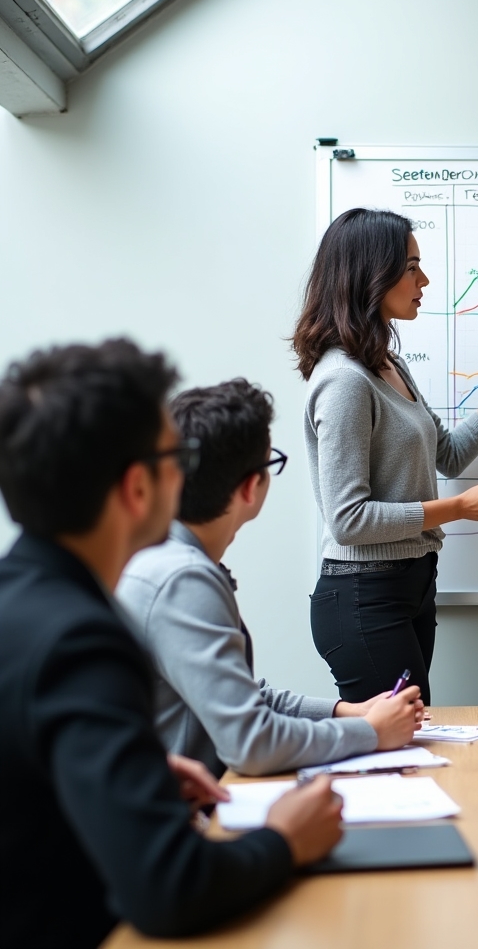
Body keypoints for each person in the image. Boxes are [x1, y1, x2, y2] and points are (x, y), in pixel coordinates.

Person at [0, 340, 343, 949]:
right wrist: (284, 839)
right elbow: (168, 889)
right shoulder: (83, 643)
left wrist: (134, 771)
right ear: (137, 488)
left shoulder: (20, 601)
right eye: (176, 455)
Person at [293, 208, 478, 704]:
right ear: (371, 273)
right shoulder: (345, 381)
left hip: (411, 585)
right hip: (364, 596)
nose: (425, 280)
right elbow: (349, 520)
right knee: (400, 755)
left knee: (409, 747)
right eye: (412, 266)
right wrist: (459, 508)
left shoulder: (385, 363)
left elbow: (451, 455)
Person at [116, 379, 423, 779]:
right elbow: (252, 745)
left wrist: (345, 711)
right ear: (250, 487)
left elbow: (241, 693)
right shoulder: (183, 580)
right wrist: (368, 732)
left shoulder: (160, 559)